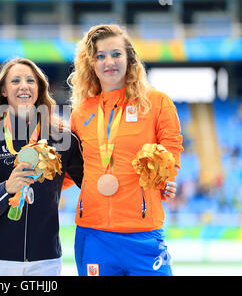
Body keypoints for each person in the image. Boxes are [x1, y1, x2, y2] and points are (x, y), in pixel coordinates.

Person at [68, 24, 183, 276]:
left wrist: (164, 177)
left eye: (116, 54)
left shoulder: (157, 102)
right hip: (93, 234)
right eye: (100, 56)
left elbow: (172, 148)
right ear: (92, 64)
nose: (109, 62)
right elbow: (72, 167)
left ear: (130, 58)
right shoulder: (81, 112)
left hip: (142, 233)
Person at [0, 57, 83, 276]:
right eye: (15, 81)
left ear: (39, 89)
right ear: (4, 91)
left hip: (46, 260)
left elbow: (91, 182)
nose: (23, 85)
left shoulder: (63, 139)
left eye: (30, 81)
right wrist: (7, 189)